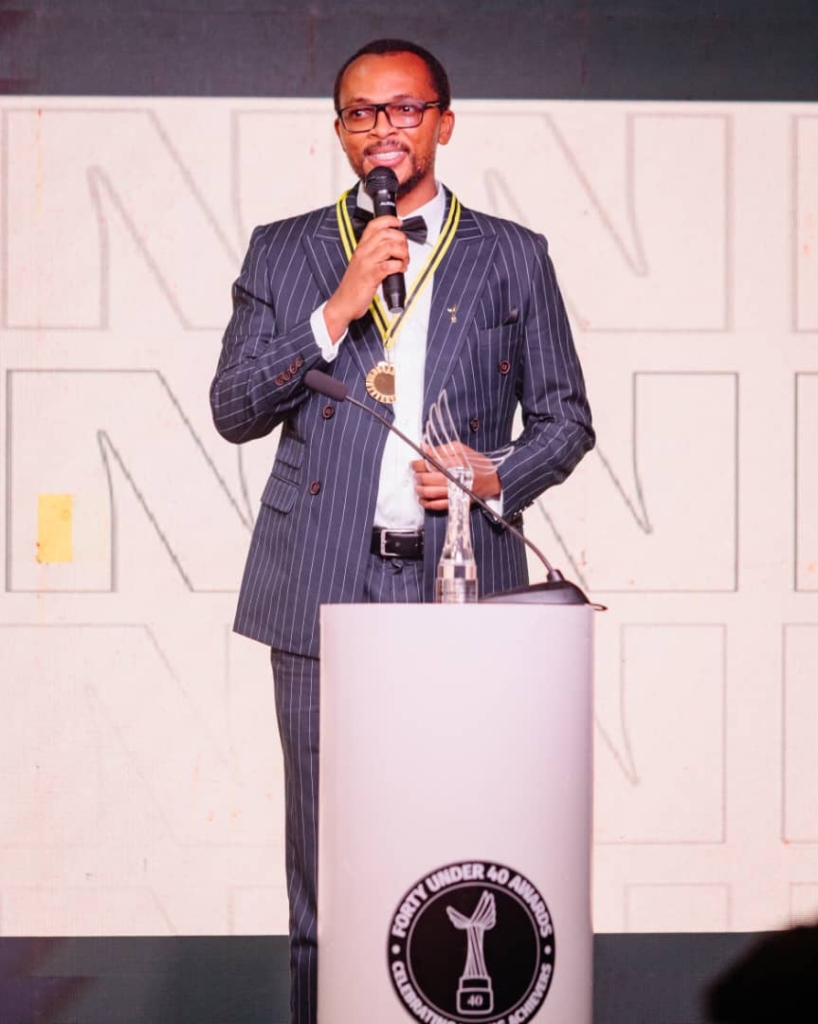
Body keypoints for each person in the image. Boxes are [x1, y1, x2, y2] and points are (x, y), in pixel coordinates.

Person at [210, 38, 594, 1024]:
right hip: (321, 585)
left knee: (465, 837)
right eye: (361, 112)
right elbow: (234, 407)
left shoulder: (512, 254)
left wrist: (494, 473)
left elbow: (565, 419)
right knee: (324, 865)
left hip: (462, 587)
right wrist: (333, 309)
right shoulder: (284, 249)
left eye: (405, 109)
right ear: (340, 132)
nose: (383, 129)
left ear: (444, 123)